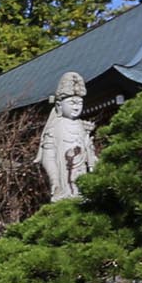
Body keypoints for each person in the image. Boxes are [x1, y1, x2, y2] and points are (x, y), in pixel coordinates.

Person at [36, 71, 98, 200]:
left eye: (79, 103)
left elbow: (90, 154)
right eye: (72, 103)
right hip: (64, 176)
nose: (76, 107)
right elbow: (48, 157)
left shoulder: (83, 126)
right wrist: (55, 181)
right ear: (59, 105)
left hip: (82, 173)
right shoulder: (54, 127)